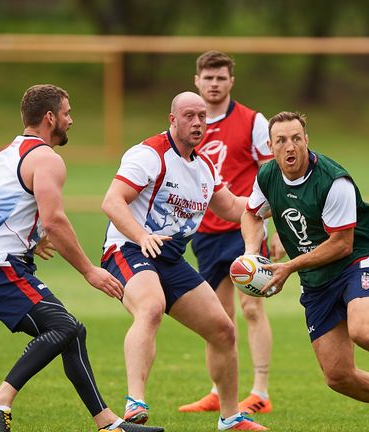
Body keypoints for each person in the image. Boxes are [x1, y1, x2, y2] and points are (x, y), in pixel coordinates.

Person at [0, 84, 165, 432]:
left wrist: (31, 237)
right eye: (67, 113)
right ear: (50, 117)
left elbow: (6, 210)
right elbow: (55, 219)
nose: (71, 120)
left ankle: (107, 423)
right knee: (63, 327)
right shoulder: (48, 158)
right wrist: (89, 271)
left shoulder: (8, 153)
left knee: (73, 332)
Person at [241, 111, 369, 432]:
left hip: (356, 259)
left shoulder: (332, 180)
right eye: (282, 140)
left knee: (364, 331)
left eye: (296, 138)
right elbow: (252, 212)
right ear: (270, 145)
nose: (290, 147)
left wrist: (289, 266)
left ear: (306, 140)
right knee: (338, 376)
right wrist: (250, 254)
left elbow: (341, 244)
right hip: (316, 277)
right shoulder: (268, 175)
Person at [100, 91, 268, 431]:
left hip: (171, 259)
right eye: (189, 116)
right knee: (151, 306)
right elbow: (112, 201)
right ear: (172, 119)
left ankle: (230, 417)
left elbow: (235, 209)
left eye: (202, 117)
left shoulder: (204, 167)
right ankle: (135, 403)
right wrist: (141, 235)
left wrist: (274, 198)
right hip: (129, 248)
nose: (197, 123)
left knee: (223, 330)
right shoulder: (149, 154)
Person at [178, 51, 282, 416]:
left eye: (221, 77)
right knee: (217, 319)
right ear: (197, 81)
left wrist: (276, 228)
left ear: (231, 81)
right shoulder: (189, 124)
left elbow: (271, 177)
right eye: (208, 77)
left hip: (245, 228)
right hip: (205, 232)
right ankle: (218, 392)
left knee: (252, 307)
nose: (214, 83)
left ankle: (260, 391)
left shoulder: (253, 121)